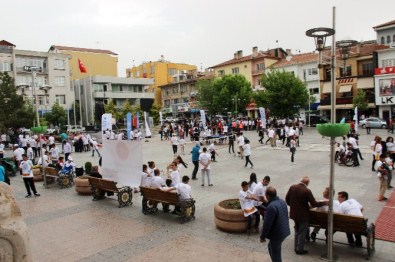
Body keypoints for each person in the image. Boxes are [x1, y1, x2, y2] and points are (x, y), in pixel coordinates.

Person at [285, 176, 327, 255]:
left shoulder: (292, 187)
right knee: (302, 232)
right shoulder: (307, 191)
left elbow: (287, 199)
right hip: (303, 215)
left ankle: (296, 247)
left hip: (294, 214)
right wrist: (323, 203)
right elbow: (314, 203)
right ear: (307, 183)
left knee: (297, 231)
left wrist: (293, 206)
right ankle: (300, 249)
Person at [260, 186, 290, 262]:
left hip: (277, 234)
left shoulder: (271, 207)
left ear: (268, 196)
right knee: (271, 246)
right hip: (284, 230)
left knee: (276, 254)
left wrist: (262, 237)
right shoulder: (282, 201)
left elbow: (267, 224)